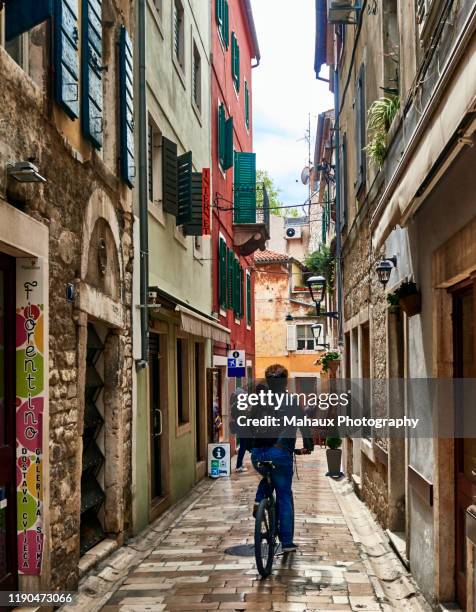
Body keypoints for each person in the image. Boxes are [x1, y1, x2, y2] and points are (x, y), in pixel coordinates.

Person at [250, 364, 314, 553]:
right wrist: (308, 446)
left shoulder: (260, 401)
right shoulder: (291, 401)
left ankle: (259, 498)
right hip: (280, 455)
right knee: (284, 495)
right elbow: (304, 428)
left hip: (258, 455)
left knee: (267, 476)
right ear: (285, 382)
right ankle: (286, 543)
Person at [230, 386, 251, 472]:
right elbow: (244, 416)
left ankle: (240, 464)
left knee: (244, 445)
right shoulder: (239, 405)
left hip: (241, 428)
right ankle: (239, 466)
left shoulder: (235, 405)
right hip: (243, 428)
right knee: (243, 446)